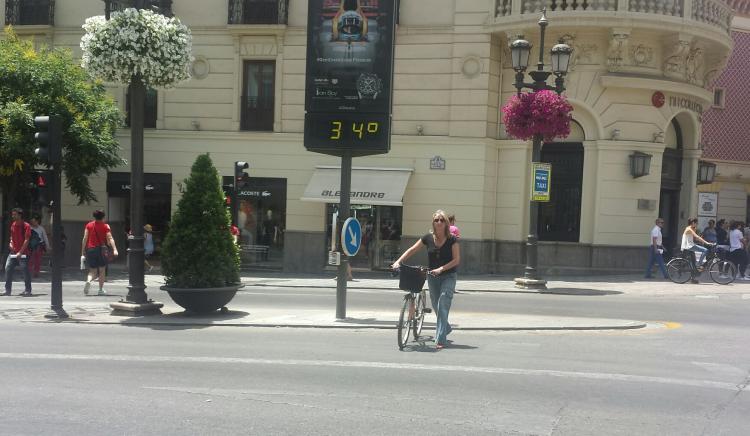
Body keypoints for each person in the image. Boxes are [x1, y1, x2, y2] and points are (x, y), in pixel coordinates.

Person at [392, 210, 460, 350]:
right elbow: (412, 250)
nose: (439, 222)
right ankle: (445, 327)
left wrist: (441, 268)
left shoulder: (452, 239)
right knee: (436, 305)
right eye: (436, 220)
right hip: (432, 277)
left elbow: (456, 260)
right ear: (433, 223)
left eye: (442, 220)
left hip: (448, 276)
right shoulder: (428, 238)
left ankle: (441, 339)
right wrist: (398, 261)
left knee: (442, 303)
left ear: (446, 223)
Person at [81, 209, 118, 296]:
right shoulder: (106, 226)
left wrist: (82, 251)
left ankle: (88, 281)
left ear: (94, 216)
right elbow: (110, 238)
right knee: (102, 270)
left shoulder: (89, 225)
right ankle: (100, 290)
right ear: (103, 217)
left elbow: (85, 238)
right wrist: (115, 249)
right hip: (101, 250)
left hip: (90, 249)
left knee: (92, 270)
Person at [3, 208, 32, 296]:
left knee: (25, 270)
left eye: (14, 214)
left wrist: (20, 252)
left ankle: (28, 290)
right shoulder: (13, 225)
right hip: (13, 252)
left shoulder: (26, 226)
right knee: (8, 268)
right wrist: (10, 243)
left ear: (20, 215)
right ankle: (7, 290)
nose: (13, 216)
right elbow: (11, 237)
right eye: (12, 214)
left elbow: (27, 240)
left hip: (23, 253)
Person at [681, 217, 712, 283]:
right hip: (688, 246)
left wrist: (701, 241)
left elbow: (696, 238)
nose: (697, 224)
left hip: (690, 245)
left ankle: (693, 279)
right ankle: (699, 264)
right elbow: (696, 237)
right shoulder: (689, 229)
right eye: (696, 223)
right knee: (705, 250)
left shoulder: (693, 228)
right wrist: (706, 242)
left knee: (693, 263)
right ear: (693, 223)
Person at [28, 213, 50, 278]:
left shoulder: (41, 228)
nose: (33, 223)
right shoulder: (29, 228)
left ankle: (36, 272)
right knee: (30, 259)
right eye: (32, 221)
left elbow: (45, 237)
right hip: (31, 246)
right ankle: (29, 272)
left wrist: (47, 245)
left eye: (34, 221)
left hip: (39, 246)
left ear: (37, 221)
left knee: (38, 260)